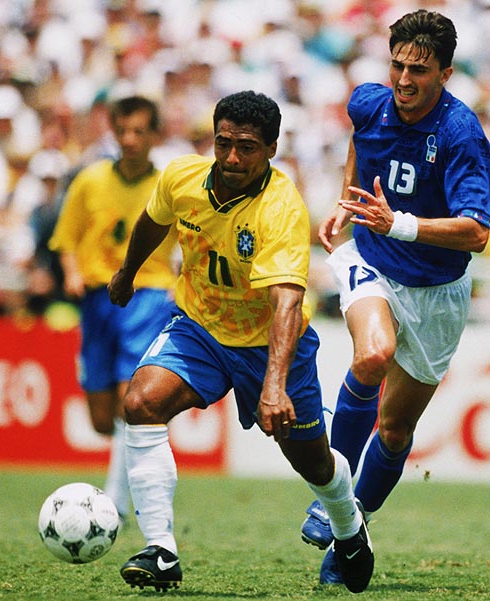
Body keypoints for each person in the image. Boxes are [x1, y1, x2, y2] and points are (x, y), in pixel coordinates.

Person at [107, 91, 374, 594]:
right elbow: (153, 220)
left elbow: (287, 303)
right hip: (199, 327)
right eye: (224, 143)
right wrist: (127, 272)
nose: (232, 158)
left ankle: (348, 526)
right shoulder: (181, 177)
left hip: (270, 343)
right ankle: (161, 549)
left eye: (247, 147)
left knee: (313, 461)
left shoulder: (282, 207)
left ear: (271, 149)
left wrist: (273, 385)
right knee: (140, 403)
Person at [298, 9, 490, 586]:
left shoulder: (461, 134)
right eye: (398, 66)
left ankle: (349, 532)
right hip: (373, 262)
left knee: (394, 431)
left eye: (419, 70)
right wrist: (348, 199)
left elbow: (477, 232)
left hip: (438, 292)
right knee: (372, 355)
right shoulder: (368, 102)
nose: (404, 80)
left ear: (446, 74)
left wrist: (399, 223)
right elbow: (360, 142)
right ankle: (330, 499)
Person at [48, 95, 176, 523]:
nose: (129, 140)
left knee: (131, 400)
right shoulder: (89, 180)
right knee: (102, 419)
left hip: (148, 296)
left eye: (139, 131)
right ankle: (132, 476)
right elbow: (66, 238)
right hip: (97, 299)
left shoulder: (169, 186)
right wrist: (71, 273)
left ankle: (116, 504)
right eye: (122, 131)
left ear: (155, 134)